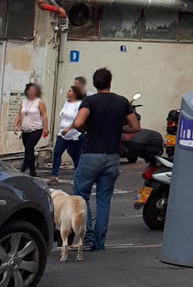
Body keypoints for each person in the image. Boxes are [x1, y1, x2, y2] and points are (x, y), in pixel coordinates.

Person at [71, 67, 140, 252]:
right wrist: (119, 129)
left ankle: (87, 238)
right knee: (104, 200)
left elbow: (78, 123)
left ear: (95, 83)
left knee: (81, 195)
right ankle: (100, 243)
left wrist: (85, 129)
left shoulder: (90, 101)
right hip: (112, 156)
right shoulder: (122, 102)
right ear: (110, 82)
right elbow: (135, 127)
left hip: (91, 154)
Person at [51, 83, 85, 180]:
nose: (67, 92)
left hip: (74, 134)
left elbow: (78, 119)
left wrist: (69, 128)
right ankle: (54, 175)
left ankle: (78, 174)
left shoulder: (79, 104)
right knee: (57, 152)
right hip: (62, 134)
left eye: (69, 91)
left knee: (75, 155)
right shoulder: (66, 103)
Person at [13, 81, 48, 175]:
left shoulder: (39, 102)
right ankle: (32, 171)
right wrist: (15, 125)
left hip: (36, 129)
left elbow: (44, 115)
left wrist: (45, 128)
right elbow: (19, 115)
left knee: (29, 148)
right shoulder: (23, 102)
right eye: (30, 90)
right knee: (29, 150)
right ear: (27, 91)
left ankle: (22, 170)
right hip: (25, 129)